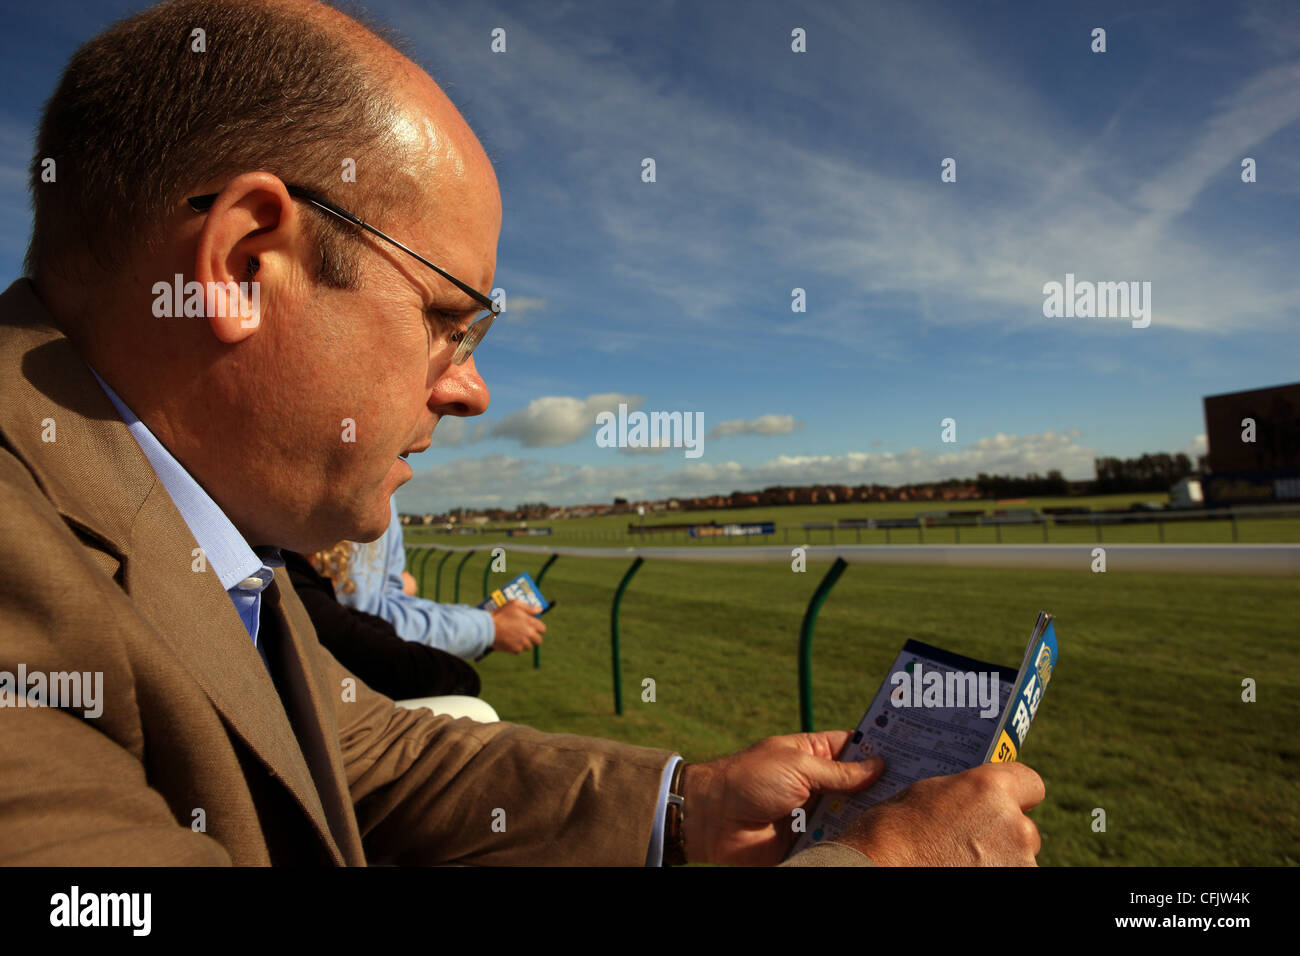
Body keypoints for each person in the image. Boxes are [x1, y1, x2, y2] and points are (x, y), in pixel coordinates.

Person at [0, 0, 1044, 866]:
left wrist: (691, 800)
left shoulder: (200, 528)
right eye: (447, 321)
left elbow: (357, 748)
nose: (473, 390)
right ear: (240, 265)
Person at [283, 547, 498, 722]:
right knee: (477, 713)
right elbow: (375, 656)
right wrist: (488, 630)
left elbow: (365, 628)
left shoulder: (295, 577)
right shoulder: (287, 582)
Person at [331, 497, 545, 659]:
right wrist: (489, 628)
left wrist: (488, 623)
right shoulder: (360, 488)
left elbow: (380, 605)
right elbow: (365, 621)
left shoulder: (382, 487)